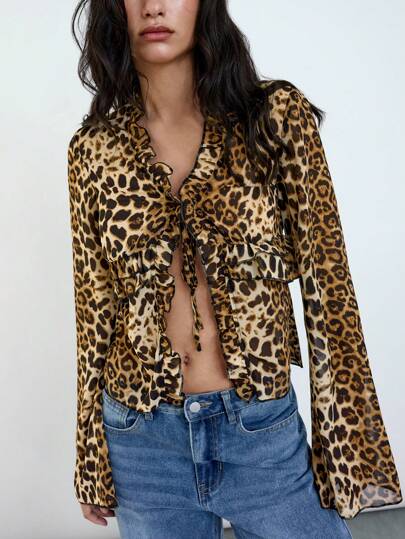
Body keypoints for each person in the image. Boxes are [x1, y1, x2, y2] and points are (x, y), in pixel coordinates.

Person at [67, 1, 402, 538]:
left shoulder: (273, 118)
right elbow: (93, 309)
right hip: (140, 441)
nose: (154, 7)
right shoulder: (93, 150)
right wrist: (91, 458)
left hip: (259, 429)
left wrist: (345, 448)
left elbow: (329, 287)